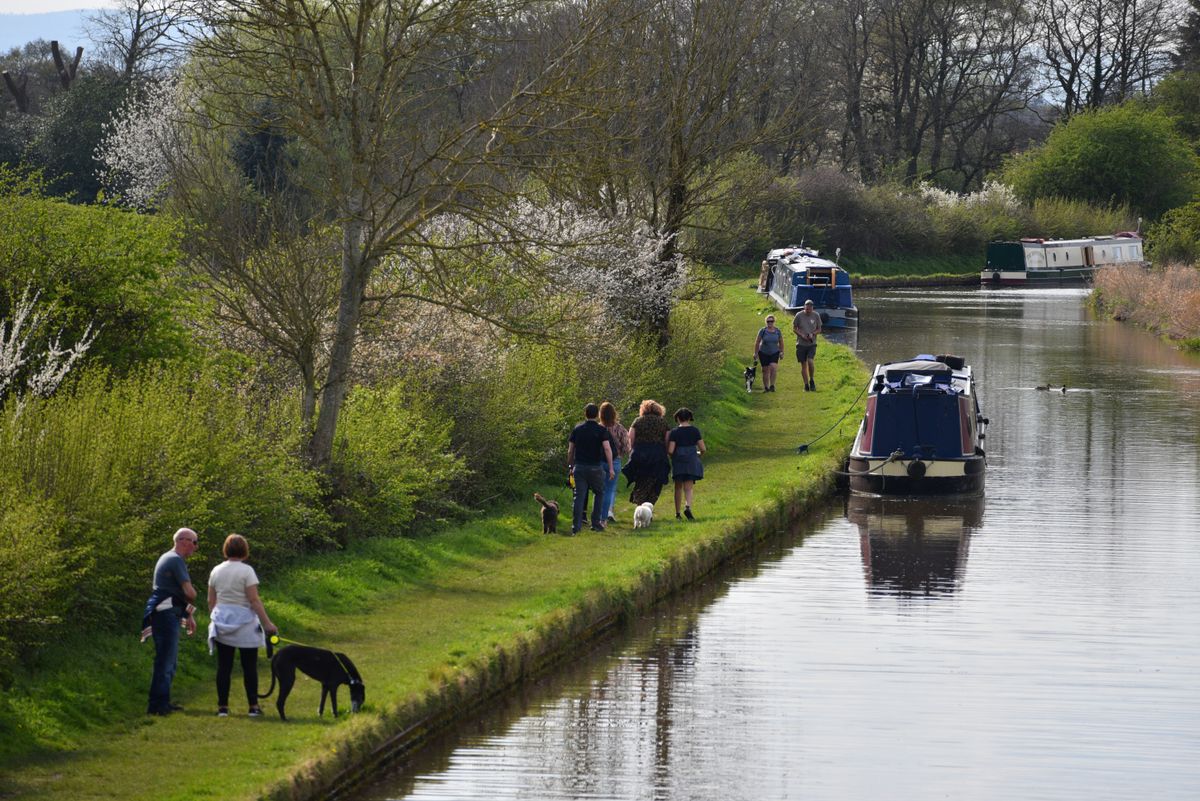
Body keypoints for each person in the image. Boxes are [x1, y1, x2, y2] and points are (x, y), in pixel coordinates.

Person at [207, 533, 278, 717]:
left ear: (226, 550)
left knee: (224, 667)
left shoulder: (216, 571)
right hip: (245, 621)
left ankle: (222, 707)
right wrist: (267, 623)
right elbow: (254, 600)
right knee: (249, 666)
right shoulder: (247, 571)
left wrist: (215, 617)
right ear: (245, 550)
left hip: (222, 620)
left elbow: (210, 601)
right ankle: (253, 706)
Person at [145, 527, 199, 716]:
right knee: (166, 661)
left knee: (169, 661)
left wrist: (189, 615)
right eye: (194, 542)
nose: (195, 547)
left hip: (168, 613)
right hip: (166, 615)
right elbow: (189, 592)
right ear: (183, 541)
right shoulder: (175, 560)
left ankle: (163, 701)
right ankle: (157, 705)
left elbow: (179, 595)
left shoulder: (171, 559)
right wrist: (194, 596)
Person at [567, 403, 615, 534]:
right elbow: (607, 448)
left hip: (580, 467)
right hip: (595, 467)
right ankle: (595, 523)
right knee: (599, 493)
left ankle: (576, 527)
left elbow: (571, 450)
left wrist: (570, 466)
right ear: (597, 414)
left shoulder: (577, 429)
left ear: (585, 414)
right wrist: (611, 468)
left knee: (579, 496)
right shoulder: (601, 430)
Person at [622, 399, 671, 506]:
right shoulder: (663, 422)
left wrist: (631, 452)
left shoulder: (638, 421)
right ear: (658, 409)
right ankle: (649, 504)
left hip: (640, 454)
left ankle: (640, 502)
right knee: (656, 480)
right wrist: (666, 452)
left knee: (641, 479)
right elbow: (667, 439)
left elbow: (630, 439)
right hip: (658, 454)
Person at [668, 408, 706, 520]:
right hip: (691, 460)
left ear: (677, 418)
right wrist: (698, 454)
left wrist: (673, 457)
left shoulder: (674, 432)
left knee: (678, 487)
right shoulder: (695, 431)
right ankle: (687, 507)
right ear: (689, 418)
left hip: (678, 461)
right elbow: (703, 448)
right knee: (688, 487)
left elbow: (670, 450)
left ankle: (677, 513)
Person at [599, 401, 630, 524]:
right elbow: (627, 447)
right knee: (611, 488)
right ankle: (609, 511)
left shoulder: (598, 428)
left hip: (599, 461)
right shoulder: (620, 428)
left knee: (601, 489)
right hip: (615, 461)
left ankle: (600, 513)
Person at [793, 298, 822, 391]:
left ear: (812, 308)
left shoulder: (816, 315)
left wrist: (813, 334)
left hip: (811, 343)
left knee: (810, 361)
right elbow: (794, 328)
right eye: (807, 309)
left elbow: (819, 329)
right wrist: (801, 335)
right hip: (801, 344)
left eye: (810, 309)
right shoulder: (799, 315)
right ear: (804, 307)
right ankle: (806, 385)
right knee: (803, 365)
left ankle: (812, 379)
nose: (808, 310)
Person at [752, 314, 784, 392]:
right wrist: (755, 353)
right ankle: (766, 387)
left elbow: (781, 342)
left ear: (774, 322)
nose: (770, 323)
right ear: (766, 322)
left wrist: (781, 352)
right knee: (765, 370)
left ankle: (772, 385)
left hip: (774, 352)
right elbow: (757, 342)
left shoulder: (778, 331)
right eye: (768, 321)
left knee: (773, 367)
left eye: (771, 321)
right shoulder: (762, 331)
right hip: (763, 352)